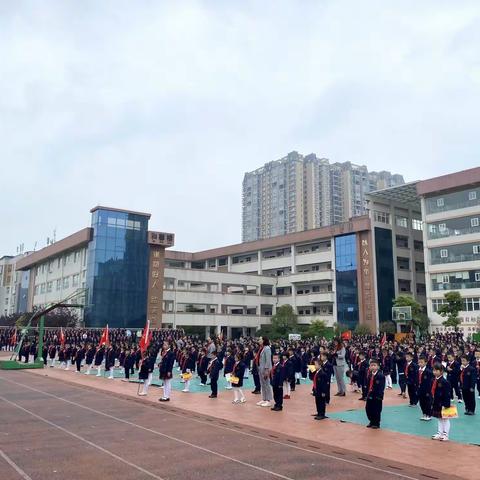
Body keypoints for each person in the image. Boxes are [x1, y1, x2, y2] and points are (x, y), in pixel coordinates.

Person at [431, 363, 452, 441]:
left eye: (436, 370)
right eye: (434, 370)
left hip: (443, 403)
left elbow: (447, 394)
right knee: (439, 418)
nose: (435, 372)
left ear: (441, 371)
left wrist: (446, 404)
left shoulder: (444, 382)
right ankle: (440, 433)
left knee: (445, 419)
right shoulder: (434, 380)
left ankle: (446, 434)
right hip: (436, 402)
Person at [365, 358, 385, 429]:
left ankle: (376, 423)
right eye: (371, 365)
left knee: (376, 410)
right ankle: (371, 421)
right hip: (370, 395)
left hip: (377, 396)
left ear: (378, 367)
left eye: (374, 365)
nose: (373, 367)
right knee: (368, 409)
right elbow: (367, 385)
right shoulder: (370, 375)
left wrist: (379, 396)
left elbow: (381, 387)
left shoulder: (380, 376)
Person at [312, 352, 331, 420]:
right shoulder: (317, 372)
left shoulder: (322, 373)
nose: (315, 366)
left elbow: (324, 384)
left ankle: (322, 414)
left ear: (320, 365)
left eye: (316, 365)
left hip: (321, 391)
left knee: (321, 402)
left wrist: (323, 392)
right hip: (317, 390)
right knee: (317, 402)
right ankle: (319, 412)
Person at [256, 336, 273, 407]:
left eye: (260, 339)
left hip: (265, 369)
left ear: (263, 340)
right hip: (260, 368)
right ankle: (264, 399)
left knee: (267, 384)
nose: (259, 340)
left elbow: (268, 360)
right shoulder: (261, 348)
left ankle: (268, 400)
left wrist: (266, 370)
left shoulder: (267, 348)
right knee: (262, 384)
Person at [417, 355, 433, 421]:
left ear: (426, 363)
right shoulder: (417, 370)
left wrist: (429, 391)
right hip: (420, 389)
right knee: (421, 402)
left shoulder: (428, 372)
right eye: (419, 362)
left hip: (427, 390)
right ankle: (424, 413)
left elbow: (430, 383)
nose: (420, 364)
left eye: (422, 362)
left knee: (427, 403)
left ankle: (429, 414)